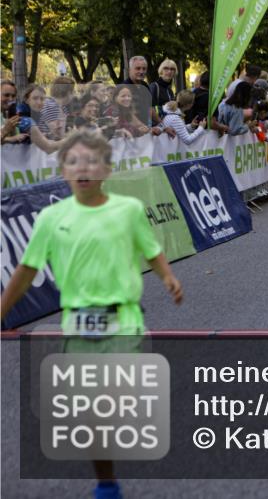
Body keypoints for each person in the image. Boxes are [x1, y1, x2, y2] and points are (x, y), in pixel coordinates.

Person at [0, 131, 184, 499]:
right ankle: (107, 484)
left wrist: (167, 277)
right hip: (77, 323)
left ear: (106, 169)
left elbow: (150, 249)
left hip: (124, 319)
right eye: (73, 162)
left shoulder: (127, 210)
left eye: (91, 161)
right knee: (94, 417)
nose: (82, 169)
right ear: (63, 171)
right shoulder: (51, 218)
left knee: (113, 403)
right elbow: (26, 270)